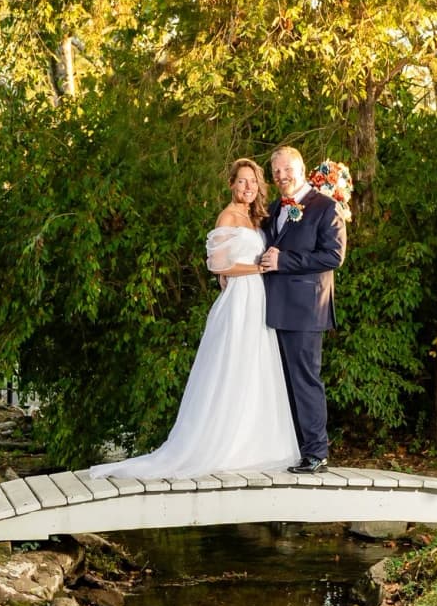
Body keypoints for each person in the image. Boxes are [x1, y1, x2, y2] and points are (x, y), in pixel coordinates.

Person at [89, 160, 298, 479]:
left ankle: (254, 445)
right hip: (241, 299)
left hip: (258, 297)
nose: (247, 187)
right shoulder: (228, 215)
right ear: (231, 183)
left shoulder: (256, 217)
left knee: (255, 366)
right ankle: (221, 445)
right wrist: (257, 269)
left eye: (252, 182)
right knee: (234, 366)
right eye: (242, 182)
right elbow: (217, 266)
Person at [259, 147, 348, 475]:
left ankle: (316, 453)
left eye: (287, 170)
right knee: (281, 382)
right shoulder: (273, 208)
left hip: (307, 310)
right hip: (273, 308)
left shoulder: (325, 207)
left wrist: (285, 261)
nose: (282, 177)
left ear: (301, 168)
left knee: (305, 380)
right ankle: (293, 449)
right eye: (276, 172)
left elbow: (334, 256)